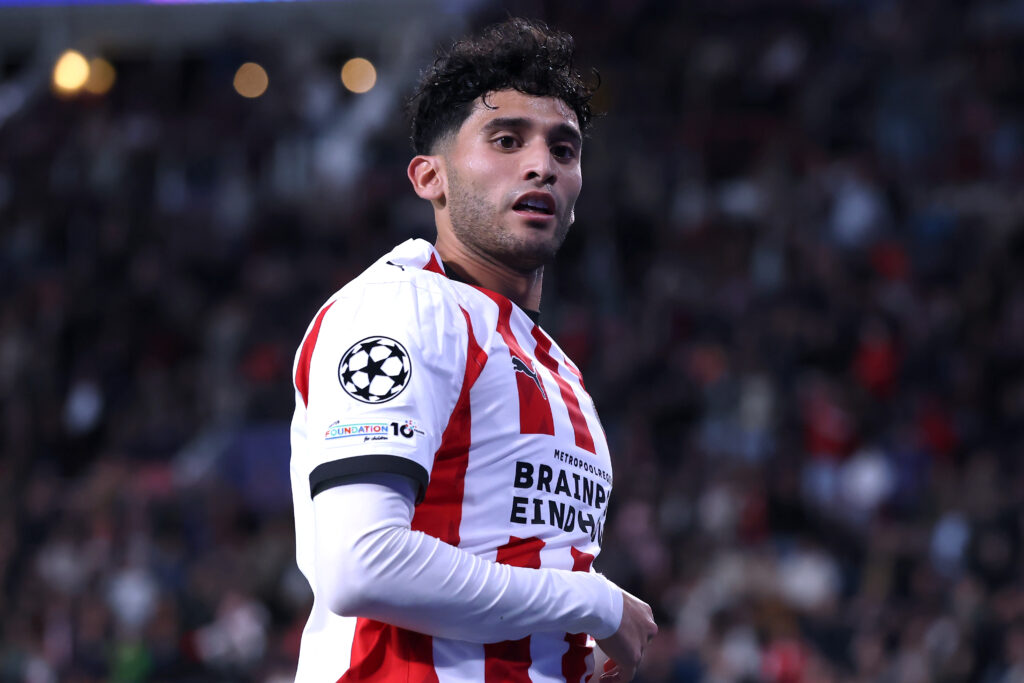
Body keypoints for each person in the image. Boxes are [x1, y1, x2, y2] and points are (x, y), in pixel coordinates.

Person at [289, 17, 657, 682]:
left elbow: (519, 569)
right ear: (430, 177)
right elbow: (362, 563)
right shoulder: (403, 305)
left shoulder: (557, 367)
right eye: (507, 140)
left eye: (564, 149)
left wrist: (573, 647)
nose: (542, 165)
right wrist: (594, 602)